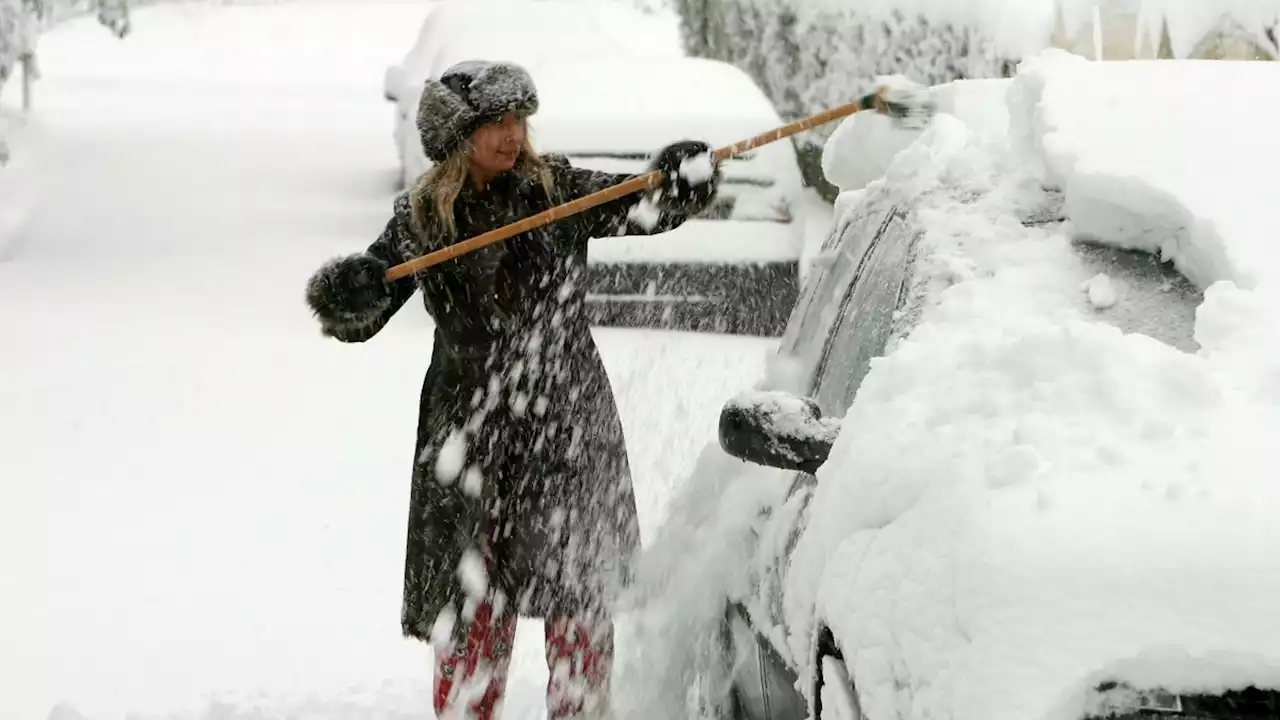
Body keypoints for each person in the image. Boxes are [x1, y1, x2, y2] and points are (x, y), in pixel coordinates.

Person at [303, 59, 720, 720]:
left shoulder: (554, 189)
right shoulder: (423, 218)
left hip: (565, 413)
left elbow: (640, 204)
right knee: (473, 611)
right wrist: (351, 292)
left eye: (517, 119)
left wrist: (678, 182)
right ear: (454, 134)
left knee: (578, 602)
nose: (510, 134)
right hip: (469, 429)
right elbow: (367, 308)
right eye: (493, 122)